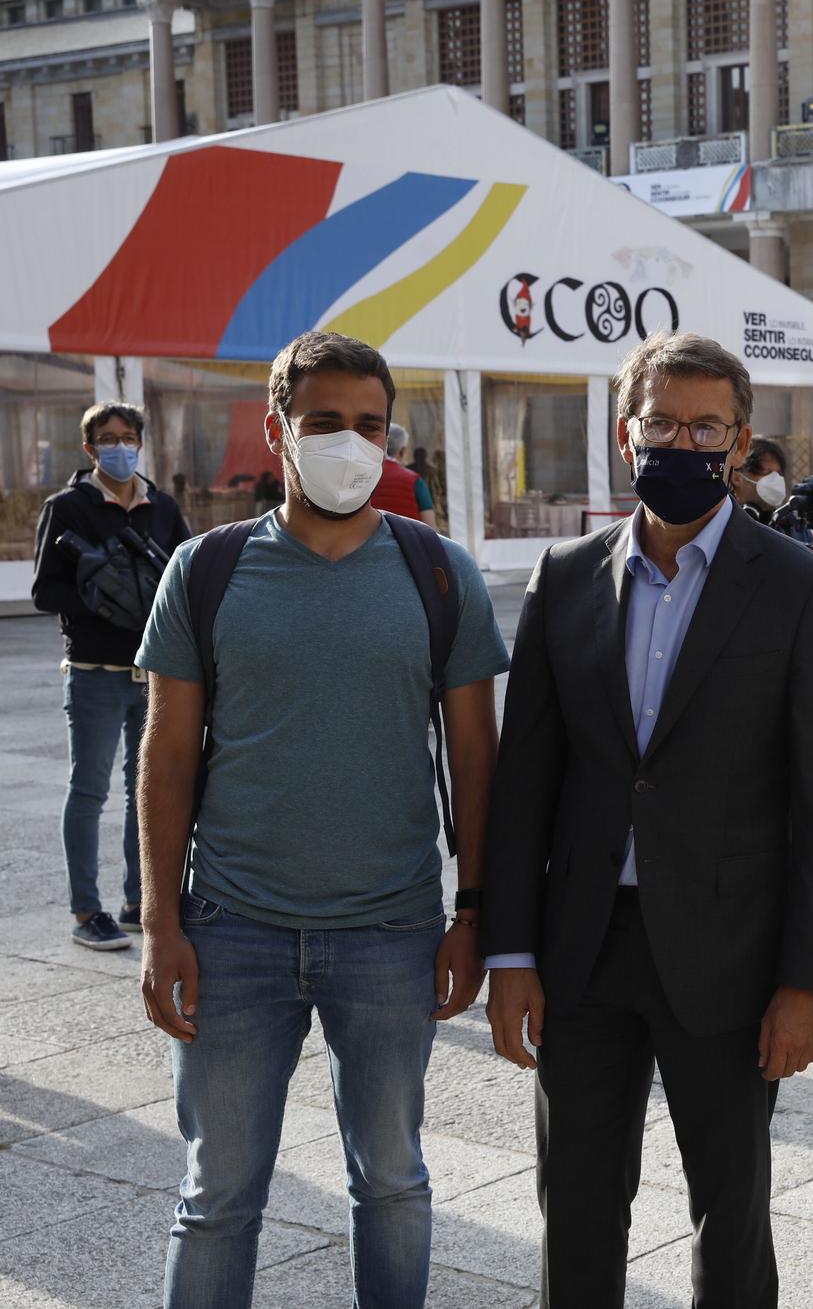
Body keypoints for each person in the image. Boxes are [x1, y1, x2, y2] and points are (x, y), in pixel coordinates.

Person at [481, 332, 813, 1308]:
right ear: (625, 434)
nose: (680, 441)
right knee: (575, 1204)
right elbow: (526, 783)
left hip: (731, 960)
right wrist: (510, 953)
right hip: (583, 953)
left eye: (704, 426)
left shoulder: (798, 586)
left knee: (729, 1212)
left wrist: (806, 980)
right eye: (661, 423)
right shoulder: (563, 579)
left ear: (738, 444)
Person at [133, 331, 509, 1307]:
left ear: (395, 438)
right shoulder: (205, 571)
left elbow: (476, 757)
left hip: (391, 928)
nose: (351, 442)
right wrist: (158, 922)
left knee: (391, 1180)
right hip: (231, 931)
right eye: (324, 423)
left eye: (370, 425)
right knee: (216, 1195)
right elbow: (166, 755)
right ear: (278, 431)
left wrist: (474, 913)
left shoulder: (438, 574)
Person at [30, 402, 192, 950]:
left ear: (140, 442)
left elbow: (186, 578)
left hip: (153, 673)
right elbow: (43, 591)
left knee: (142, 789)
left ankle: (136, 899)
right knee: (89, 788)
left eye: (127, 437)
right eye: (107, 438)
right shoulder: (68, 508)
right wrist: (104, 600)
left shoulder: (162, 508)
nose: (119, 447)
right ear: (89, 447)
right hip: (94, 670)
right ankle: (85, 909)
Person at [368, 421, 438, 528]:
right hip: (409, 543)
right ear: (402, 451)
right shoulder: (415, 481)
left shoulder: (365, 477)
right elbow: (430, 526)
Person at [731, 434, 790, 526]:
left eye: (779, 473)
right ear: (737, 478)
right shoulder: (721, 522)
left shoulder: (789, 526)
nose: (776, 479)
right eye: (766, 472)